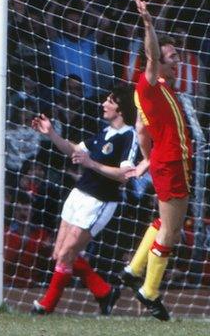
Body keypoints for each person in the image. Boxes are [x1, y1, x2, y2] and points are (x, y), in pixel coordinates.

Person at [30, 84, 138, 315]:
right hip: (79, 194)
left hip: (99, 201)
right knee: (59, 254)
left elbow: (126, 175)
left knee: (68, 253)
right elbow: (74, 150)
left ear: (121, 108)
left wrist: (91, 164)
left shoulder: (129, 136)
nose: (103, 104)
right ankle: (105, 292)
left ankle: (47, 306)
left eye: (109, 101)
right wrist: (51, 133)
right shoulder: (105, 132)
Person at [118, 0, 193, 321]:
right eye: (171, 57)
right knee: (171, 232)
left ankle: (134, 270)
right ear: (157, 61)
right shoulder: (148, 83)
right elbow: (150, 54)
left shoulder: (162, 87)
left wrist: (147, 159)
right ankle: (149, 292)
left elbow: (141, 129)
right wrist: (148, 23)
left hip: (167, 161)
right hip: (172, 163)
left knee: (167, 223)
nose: (177, 61)